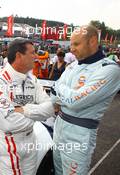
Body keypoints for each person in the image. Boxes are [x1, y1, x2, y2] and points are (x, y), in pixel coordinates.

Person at [51, 25, 120, 175]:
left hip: (79, 134)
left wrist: (58, 88)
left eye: (76, 44)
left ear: (93, 41)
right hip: (59, 127)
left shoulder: (109, 69)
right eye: (71, 45)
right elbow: (54, 96)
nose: (72, 49)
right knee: (57, 171)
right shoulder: (73, 65)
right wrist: (64, 94)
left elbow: (74, 101)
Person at [0, 39, 54, 175]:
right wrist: (38, 113)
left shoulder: (33, 80)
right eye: (32, 53)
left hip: (30, 142)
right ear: (18, 56)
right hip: (7, 147)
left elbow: (50, 107)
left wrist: (25, 110)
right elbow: (9, 123)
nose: (36, 57)